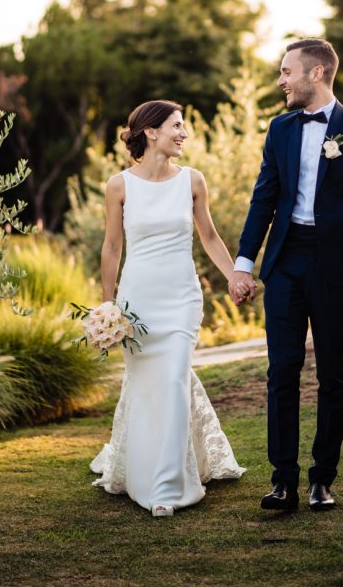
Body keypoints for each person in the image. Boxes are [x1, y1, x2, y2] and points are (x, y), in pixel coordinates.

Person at [231, 39, 343, 512]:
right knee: (281, 370)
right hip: (285, 261)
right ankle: (283, 481)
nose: (281, 80)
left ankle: (323, 479)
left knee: (333, 375)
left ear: (316, 73)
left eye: (287, 72)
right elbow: (264, 198)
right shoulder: (279, 128)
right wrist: (244, 263)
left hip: (337, 266)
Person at [90, 99, 244, 516]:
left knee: (174, 379)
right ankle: (144, 474)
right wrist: (108, 304)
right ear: (151, 132)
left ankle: (167, 488)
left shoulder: (193, 180)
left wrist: (235, 276)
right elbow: (112, 246)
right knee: (147, 387)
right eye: (177, 126)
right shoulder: (119, 185)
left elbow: (209, 236)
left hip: (181, 298)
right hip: (137, 303)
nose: (184, 134)